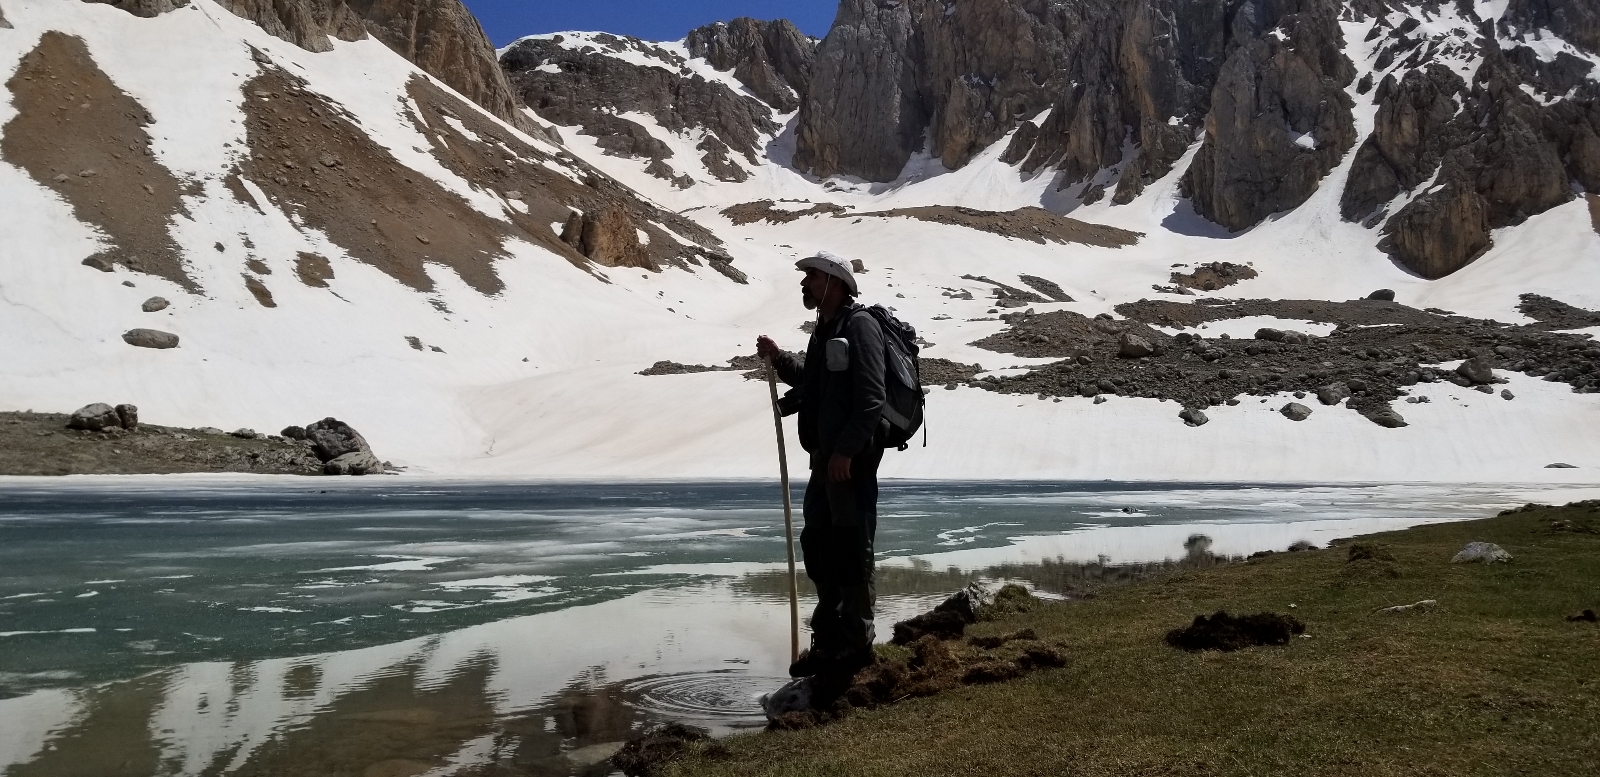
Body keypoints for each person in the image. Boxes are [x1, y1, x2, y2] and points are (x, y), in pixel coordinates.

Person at [756, 251, 886, 679]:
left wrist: (846, 452)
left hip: (849, 467)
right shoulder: (824, 331)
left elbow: (871, 397)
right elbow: (813, 382)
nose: (804, 283)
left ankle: (855, 646)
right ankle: (829, 640)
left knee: (851, 552)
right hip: (824, 467)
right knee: (820, 548)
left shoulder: (861, 326)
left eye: (811, 276)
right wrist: (779, 358)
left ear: (834, 282)